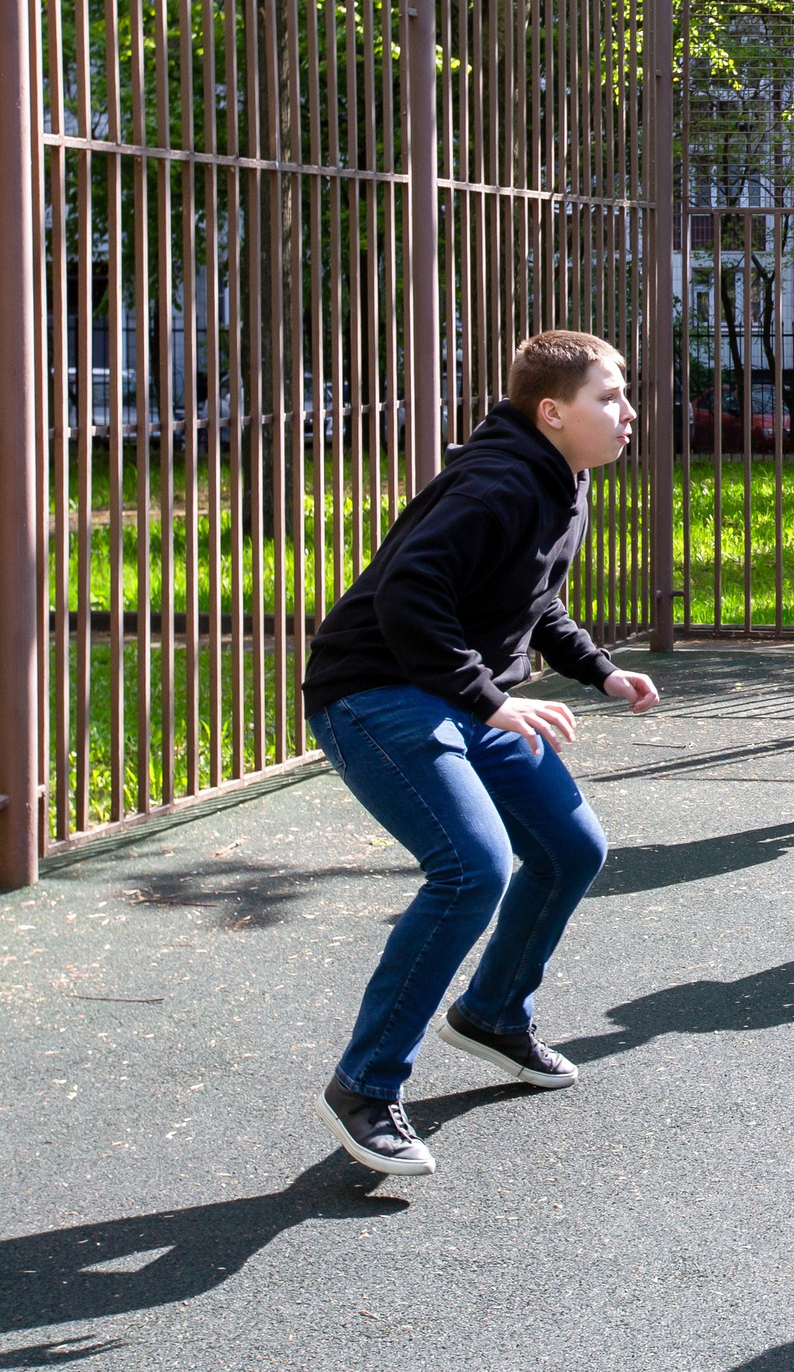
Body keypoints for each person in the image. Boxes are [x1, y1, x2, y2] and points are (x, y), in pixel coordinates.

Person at [302, 331, 663, 1176]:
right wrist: (494, 700)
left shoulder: (560, 479)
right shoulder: (498, 480)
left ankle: (495, 1013)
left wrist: (601, 671)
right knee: (473, 867)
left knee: (572, 848)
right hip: (377, 691)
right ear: (552, 412)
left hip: (470, 698)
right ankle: (364, 1082)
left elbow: (532, 601)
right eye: (608, 398)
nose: (627, 412)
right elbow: (409, 593)